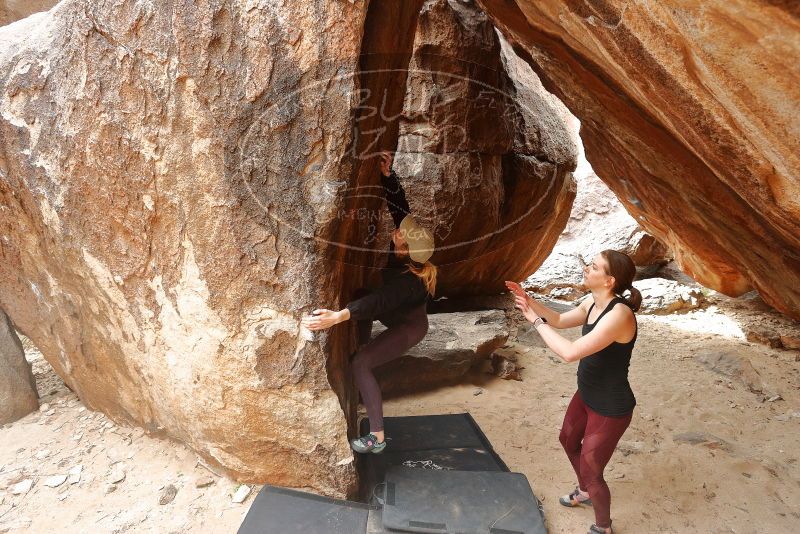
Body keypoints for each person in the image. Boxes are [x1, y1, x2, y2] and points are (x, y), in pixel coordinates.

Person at [302, 152, 437, 454]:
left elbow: (381, 301)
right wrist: (389, 177)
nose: (400, 234)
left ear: (405, 253)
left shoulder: (411, 283)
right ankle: (360, 350)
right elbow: (401, 210)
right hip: (394, 312)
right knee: (360, 295)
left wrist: (338, 317)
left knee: (360, 363)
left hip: (408, 327)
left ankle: (377, 437)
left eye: (403, 239)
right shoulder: (415, 250)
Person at [505, 250, 642, 534]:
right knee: (567, 440)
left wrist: (534, 320)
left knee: (593, 470)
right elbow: (558, 319)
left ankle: (603, 526)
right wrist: (530, 302)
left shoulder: (619, 314)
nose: (586, 269)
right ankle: (584, 491)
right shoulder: (593, 301)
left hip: (610, 408)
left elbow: (569, 353)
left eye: (593, 267)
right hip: (587, 394)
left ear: (609, 280)